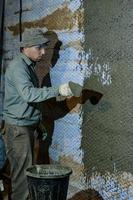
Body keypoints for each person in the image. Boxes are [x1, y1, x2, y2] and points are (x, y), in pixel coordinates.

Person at [3, 29, 82, 200]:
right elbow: (29, 94)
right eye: (39, 47)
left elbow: (28, 101)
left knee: (21, 172)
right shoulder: (18, 67)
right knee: (22, 180)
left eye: (44, 47)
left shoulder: (28, 65)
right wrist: (60, 89)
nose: (44, 52)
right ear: (26, 47)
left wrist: (37, 123)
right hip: (18, 129)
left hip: (24, 126)